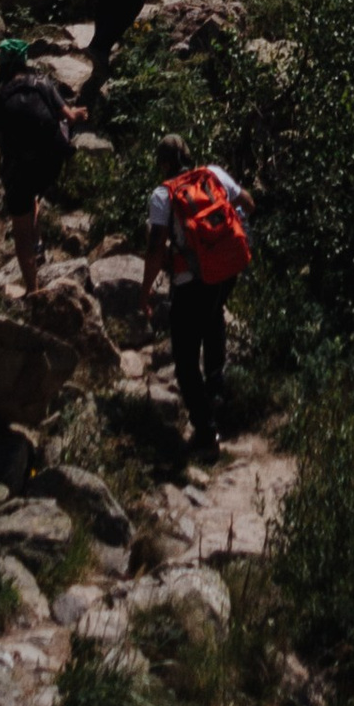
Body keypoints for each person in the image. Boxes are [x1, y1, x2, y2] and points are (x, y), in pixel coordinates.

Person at [140, 126, 251, 460]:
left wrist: (144, 291)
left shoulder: (163, 196)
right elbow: (248, 202)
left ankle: (205, 432)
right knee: (214, 315)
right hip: (225, 272)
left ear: (162, 164)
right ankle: (217, 386)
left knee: (186, 360)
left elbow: (156, 248)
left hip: (190, 283)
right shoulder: (213, 174)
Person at [0, 38, 82, 297]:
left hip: (19, 167)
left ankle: (32, 289)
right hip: (50, 162)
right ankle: (38, 245)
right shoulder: (43, 82)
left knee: (20, 229)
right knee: (33, 195)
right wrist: (81, 114)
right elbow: (69, 117)